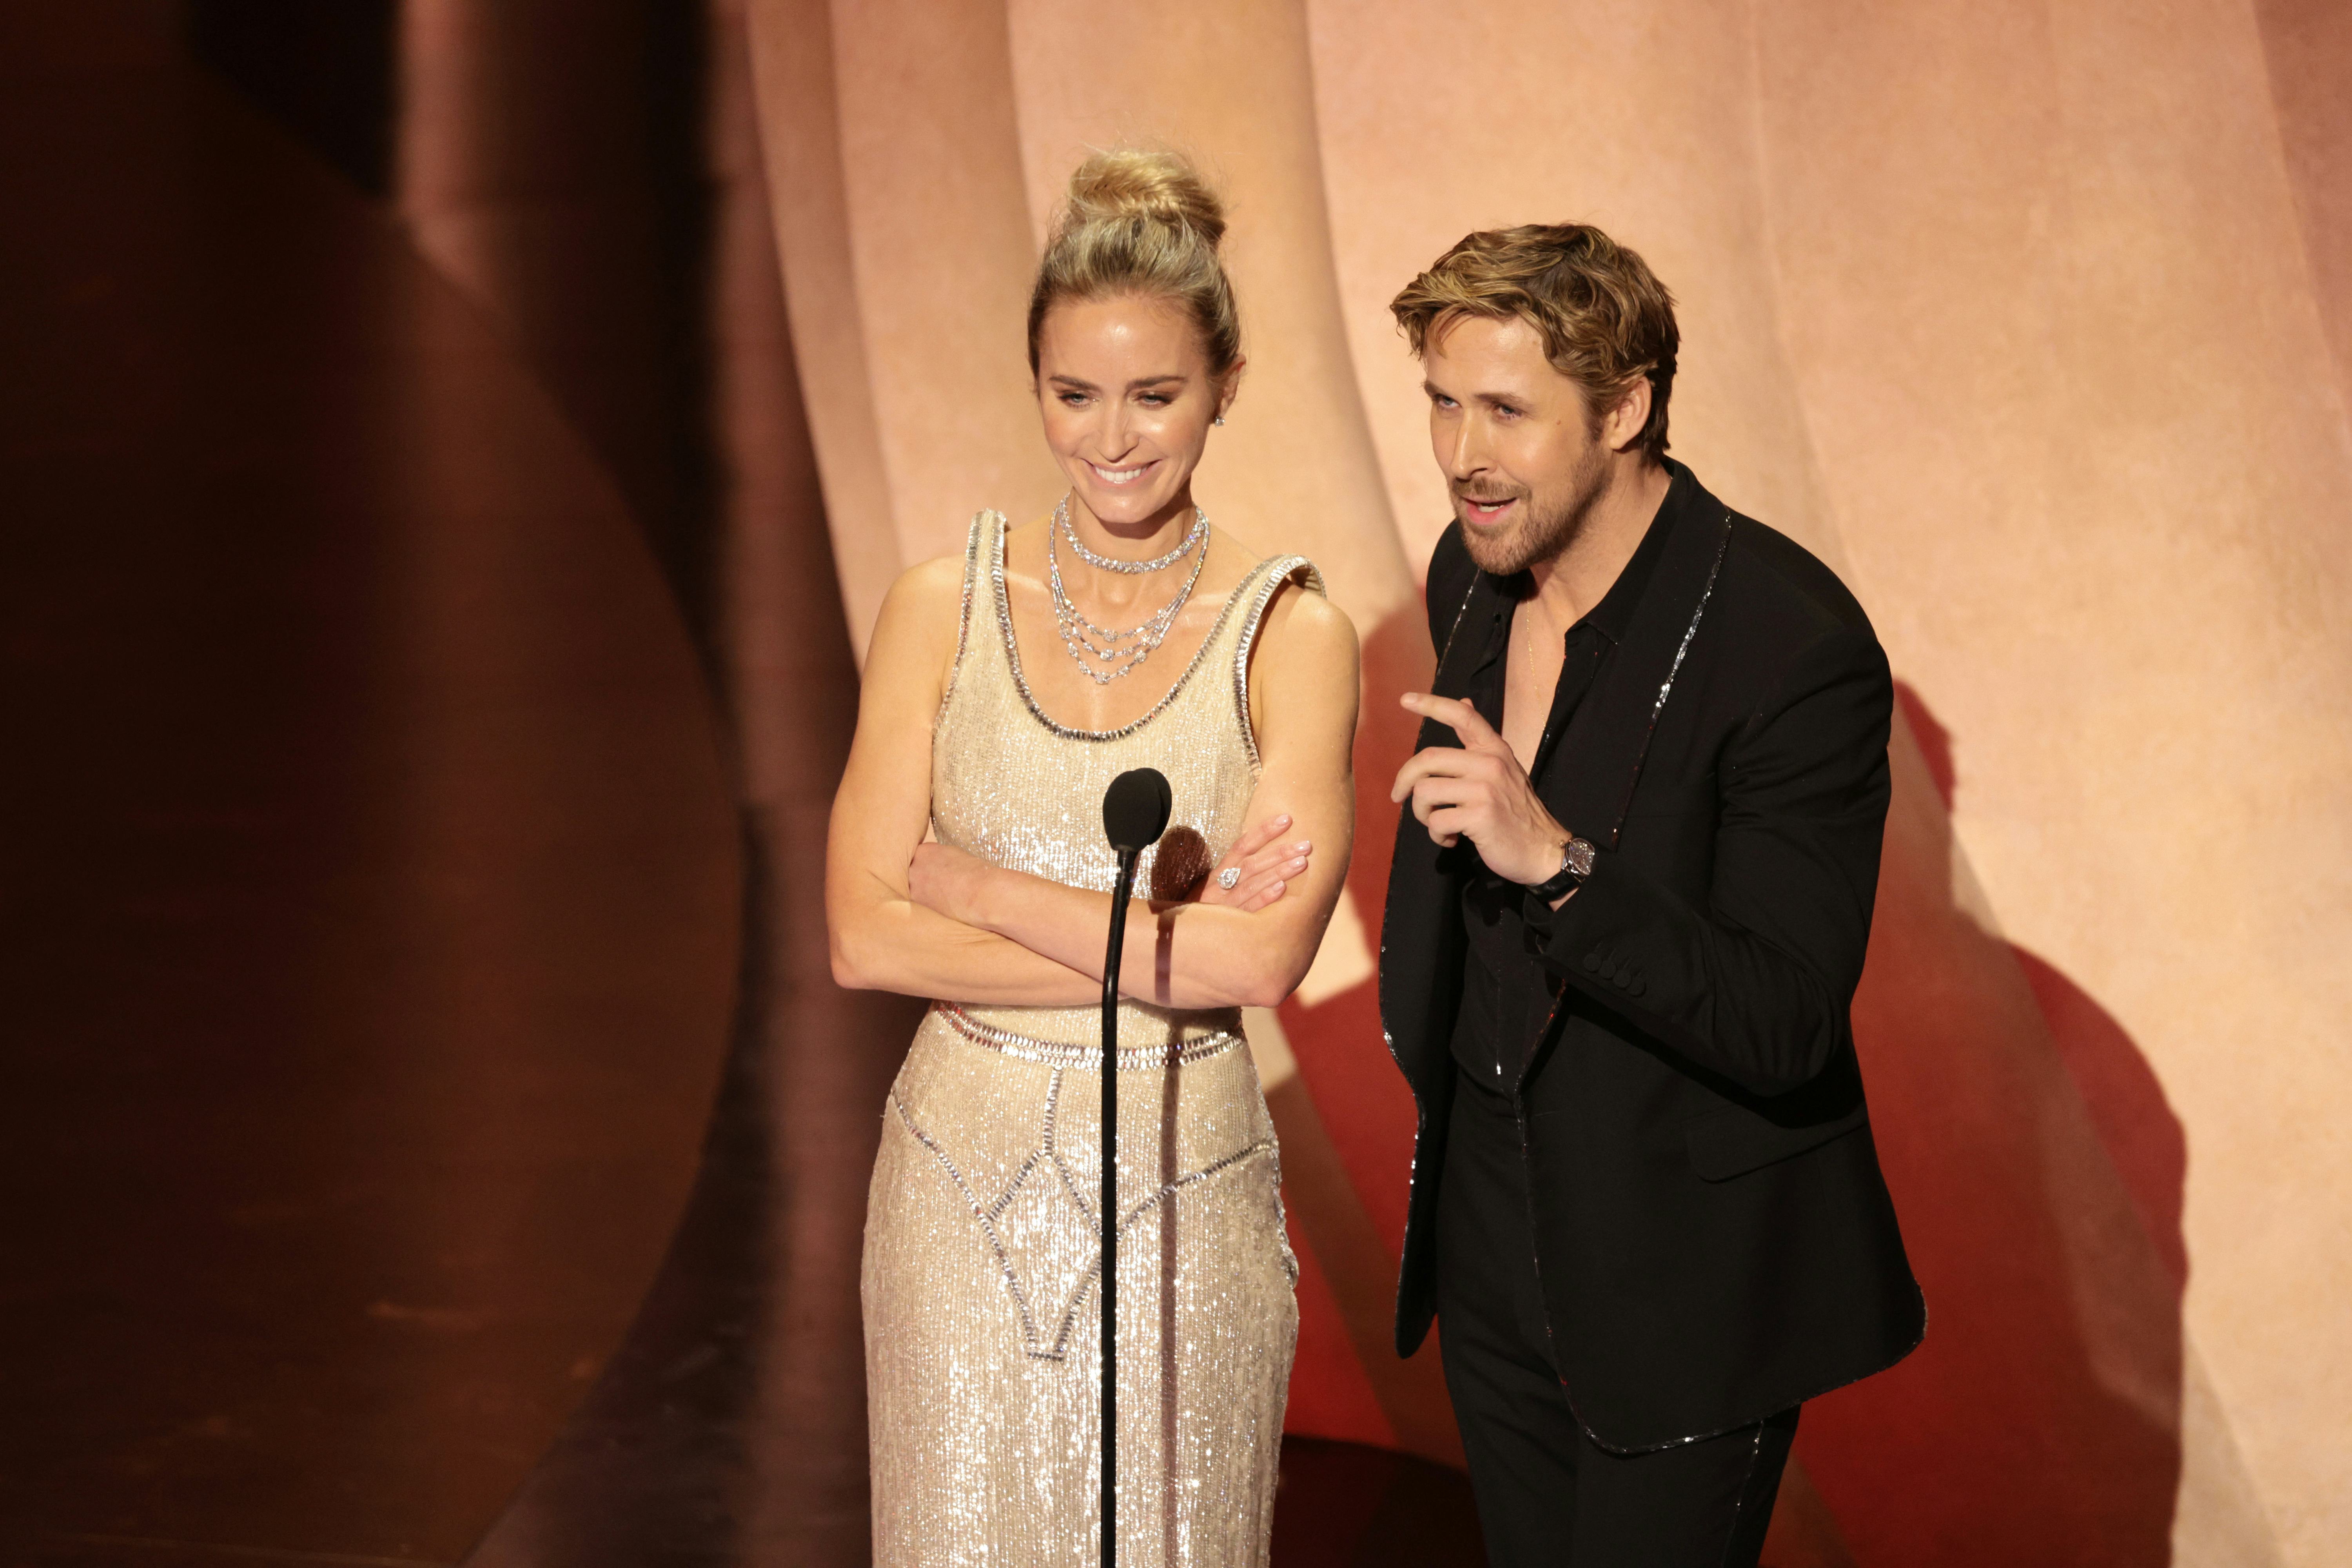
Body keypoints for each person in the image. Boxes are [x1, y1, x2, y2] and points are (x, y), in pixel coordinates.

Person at [825, 149, 1360, 1567]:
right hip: (957, 1184)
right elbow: (859, 941)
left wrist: (967, 881)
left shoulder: (1291, 635)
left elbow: (1260, 960)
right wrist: (1152, 950)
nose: (1112, 438)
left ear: (1227, 385)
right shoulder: (938, 608)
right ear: (1035, 386)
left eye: (1155, 395)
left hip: (1186, 1184)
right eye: (1075, 394)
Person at [1377, 223, 1925, 1566]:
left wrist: (1560, 864)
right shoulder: (1475, 569)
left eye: (1505, 410)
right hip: (1491, 1241)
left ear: (1625, 405)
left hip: (1682, 1278)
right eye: (1443, 405)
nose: (1460, 456)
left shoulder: (1793, 645)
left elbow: (1785, 1016)